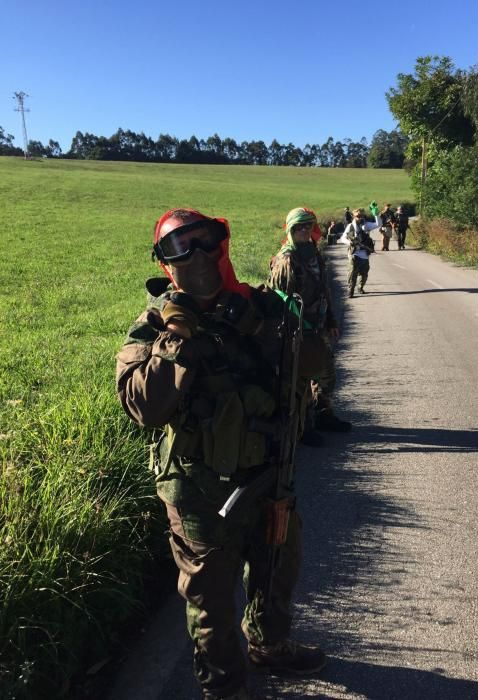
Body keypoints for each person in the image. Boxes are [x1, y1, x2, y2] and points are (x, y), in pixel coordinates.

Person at [116, 208, 326, 700]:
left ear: (222, 242)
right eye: (176, 248)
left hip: (270, 474)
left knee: (277, 570)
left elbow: (315, 364)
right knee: (210, 602)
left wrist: (267, 325)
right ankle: (225, 688)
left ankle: (269, 646)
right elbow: (143, 406)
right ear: (163, 263)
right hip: (198, 494)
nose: (194, 256)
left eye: (202, 240)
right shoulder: (154, 325)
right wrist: (177, 342)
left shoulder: (264, 307)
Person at [268, 207, 351, 442]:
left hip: (318, 326)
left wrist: (331, 319)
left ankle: (323, 414)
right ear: (291, 229)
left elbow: (324, 290)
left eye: (308, 226)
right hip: (298, 330)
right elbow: (279, 298)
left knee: (326, 375)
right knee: (300, 379)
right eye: (299, 227)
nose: (304, 230)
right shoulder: (286, 259)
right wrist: (295, 330)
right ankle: (303, 428)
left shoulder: (313, 253)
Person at [339, 207, 381, 297]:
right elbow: (342, 238)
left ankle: (360, 287)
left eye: (361, 215)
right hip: (354, 253)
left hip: (364, 254)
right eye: (358, 216)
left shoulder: (366, 225)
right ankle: (351, 290)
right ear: (354, 216)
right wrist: (349, 242)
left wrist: (376, 214)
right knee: (352, 273)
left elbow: (378, 224)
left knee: (364, 274)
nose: (360, 217)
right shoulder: (350, 226)